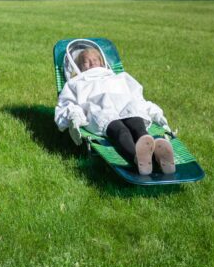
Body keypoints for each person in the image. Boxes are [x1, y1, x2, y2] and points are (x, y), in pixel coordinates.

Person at [55, 40, 175, 175]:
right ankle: (137, 160)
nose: (92, 62)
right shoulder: (75, 83)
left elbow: (137, 98)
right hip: (101, 112)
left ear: (102, 62)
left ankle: (158, 158)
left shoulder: (119, 77)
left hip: (126, 106)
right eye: (86, 61)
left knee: (137, 126)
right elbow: (68, 105)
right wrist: (74, 119)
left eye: (95, 59)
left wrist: (156, 114)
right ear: (78, 66)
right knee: (121, 131)